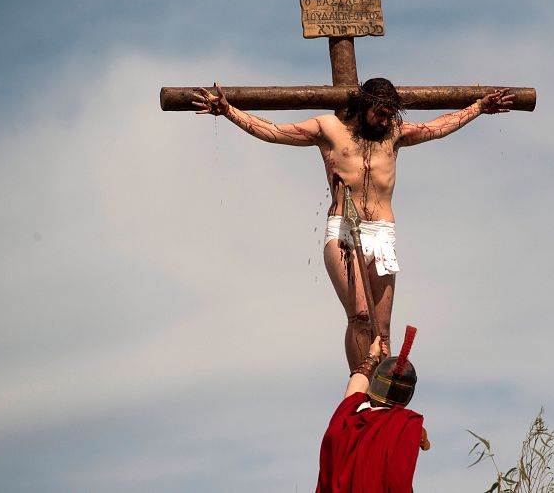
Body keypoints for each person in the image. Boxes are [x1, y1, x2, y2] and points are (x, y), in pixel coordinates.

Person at [193, 79, 514, 370]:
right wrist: (229, 111)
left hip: (383, 235)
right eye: (380, 114)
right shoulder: (329, 128)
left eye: (390, 114)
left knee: (382, 330)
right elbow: (275, 131)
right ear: (363, 107)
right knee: (360, 315)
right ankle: (359, 382)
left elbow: (438, 127)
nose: (385, 121)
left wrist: (478, 108)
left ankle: (381, 397)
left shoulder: (395, 133)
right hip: (344, 230)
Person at [315, 331, 429, 493]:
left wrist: (372, 356)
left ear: (376, 381)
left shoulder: (347, 414)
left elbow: (356, 385)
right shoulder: (405, 424)